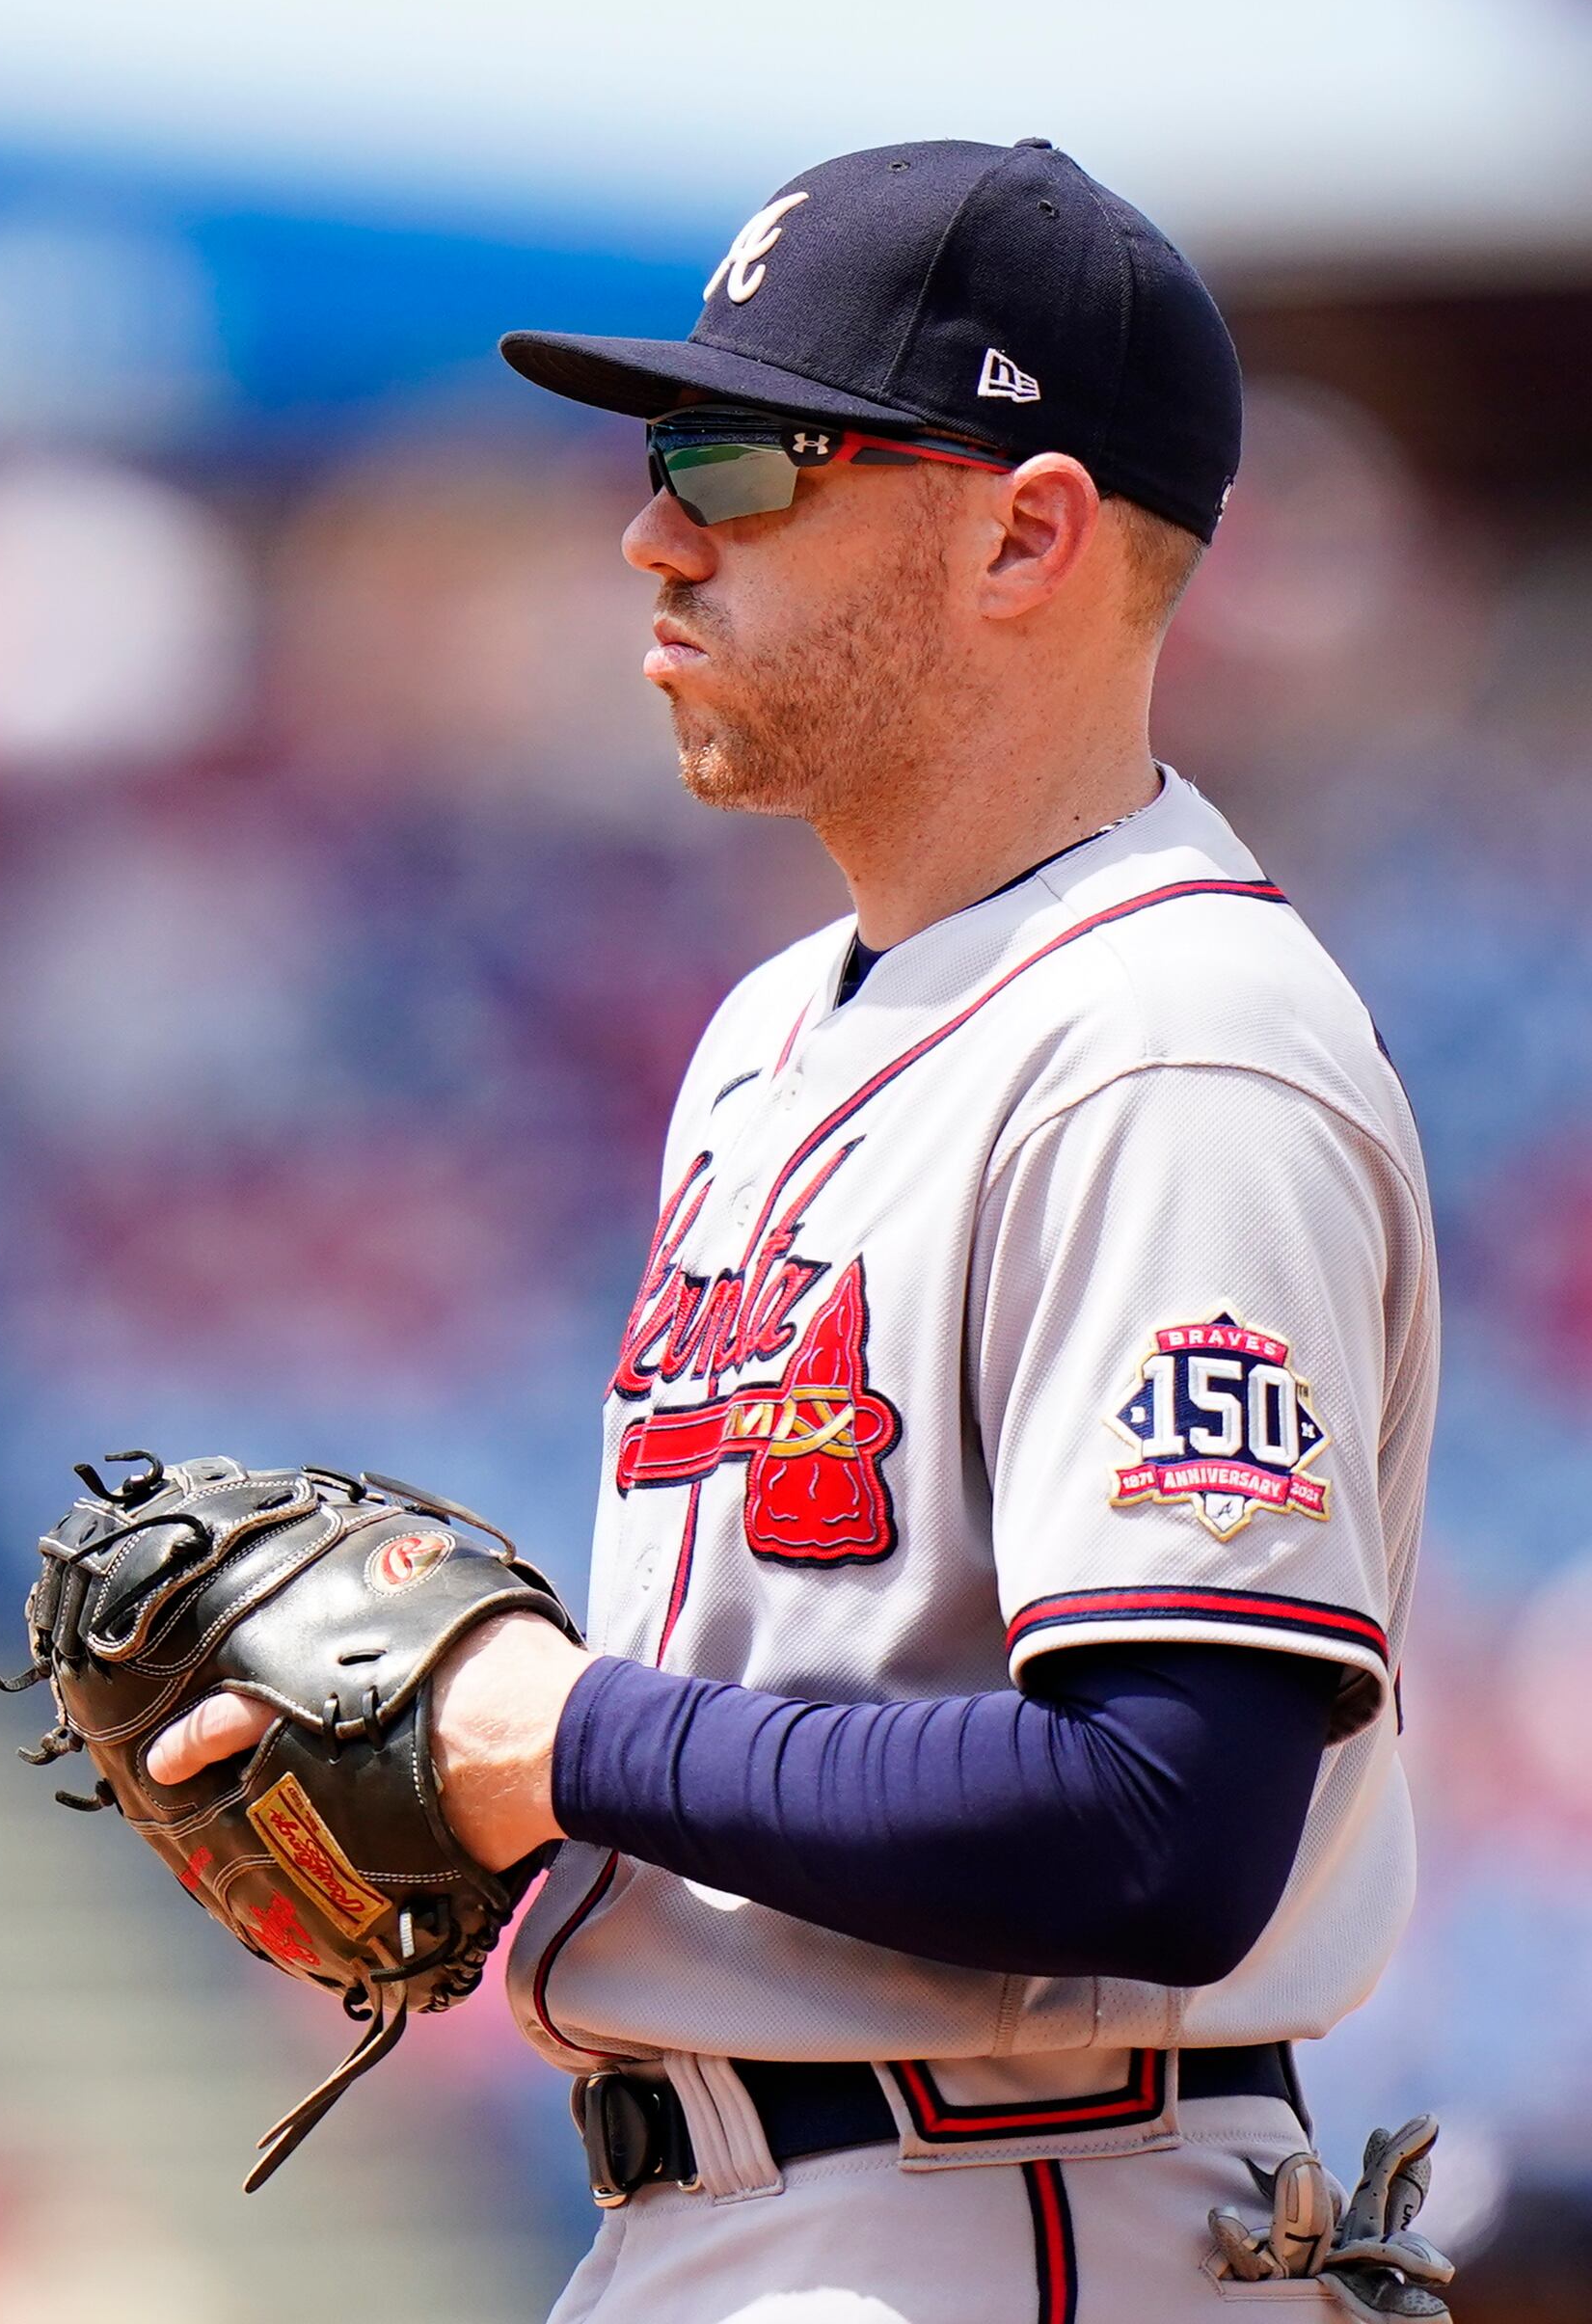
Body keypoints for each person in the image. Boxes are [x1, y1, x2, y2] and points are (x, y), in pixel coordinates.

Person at [151, 139, 1439, 2324]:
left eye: (735, 462)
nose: (649, 530)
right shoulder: (774, 1029)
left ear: (1025, 529)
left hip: (1014, 2212)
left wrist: (548, 1737)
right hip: (746, 2218)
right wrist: (494, 1790)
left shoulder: (1173, 1042)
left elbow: (1164, 1821)